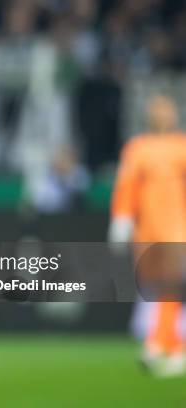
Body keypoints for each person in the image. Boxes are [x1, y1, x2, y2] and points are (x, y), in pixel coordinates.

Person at [109, 94, 186, 377]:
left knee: (169, 284)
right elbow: (126, 185)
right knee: (154, 286)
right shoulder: (137, 148)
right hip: (147, 228)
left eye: (166, 110)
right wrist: (122, 218)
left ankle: (155, 344)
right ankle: (176, 349)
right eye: (157, 111)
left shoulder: (182, 147)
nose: (162, 116)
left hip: (177, 227)